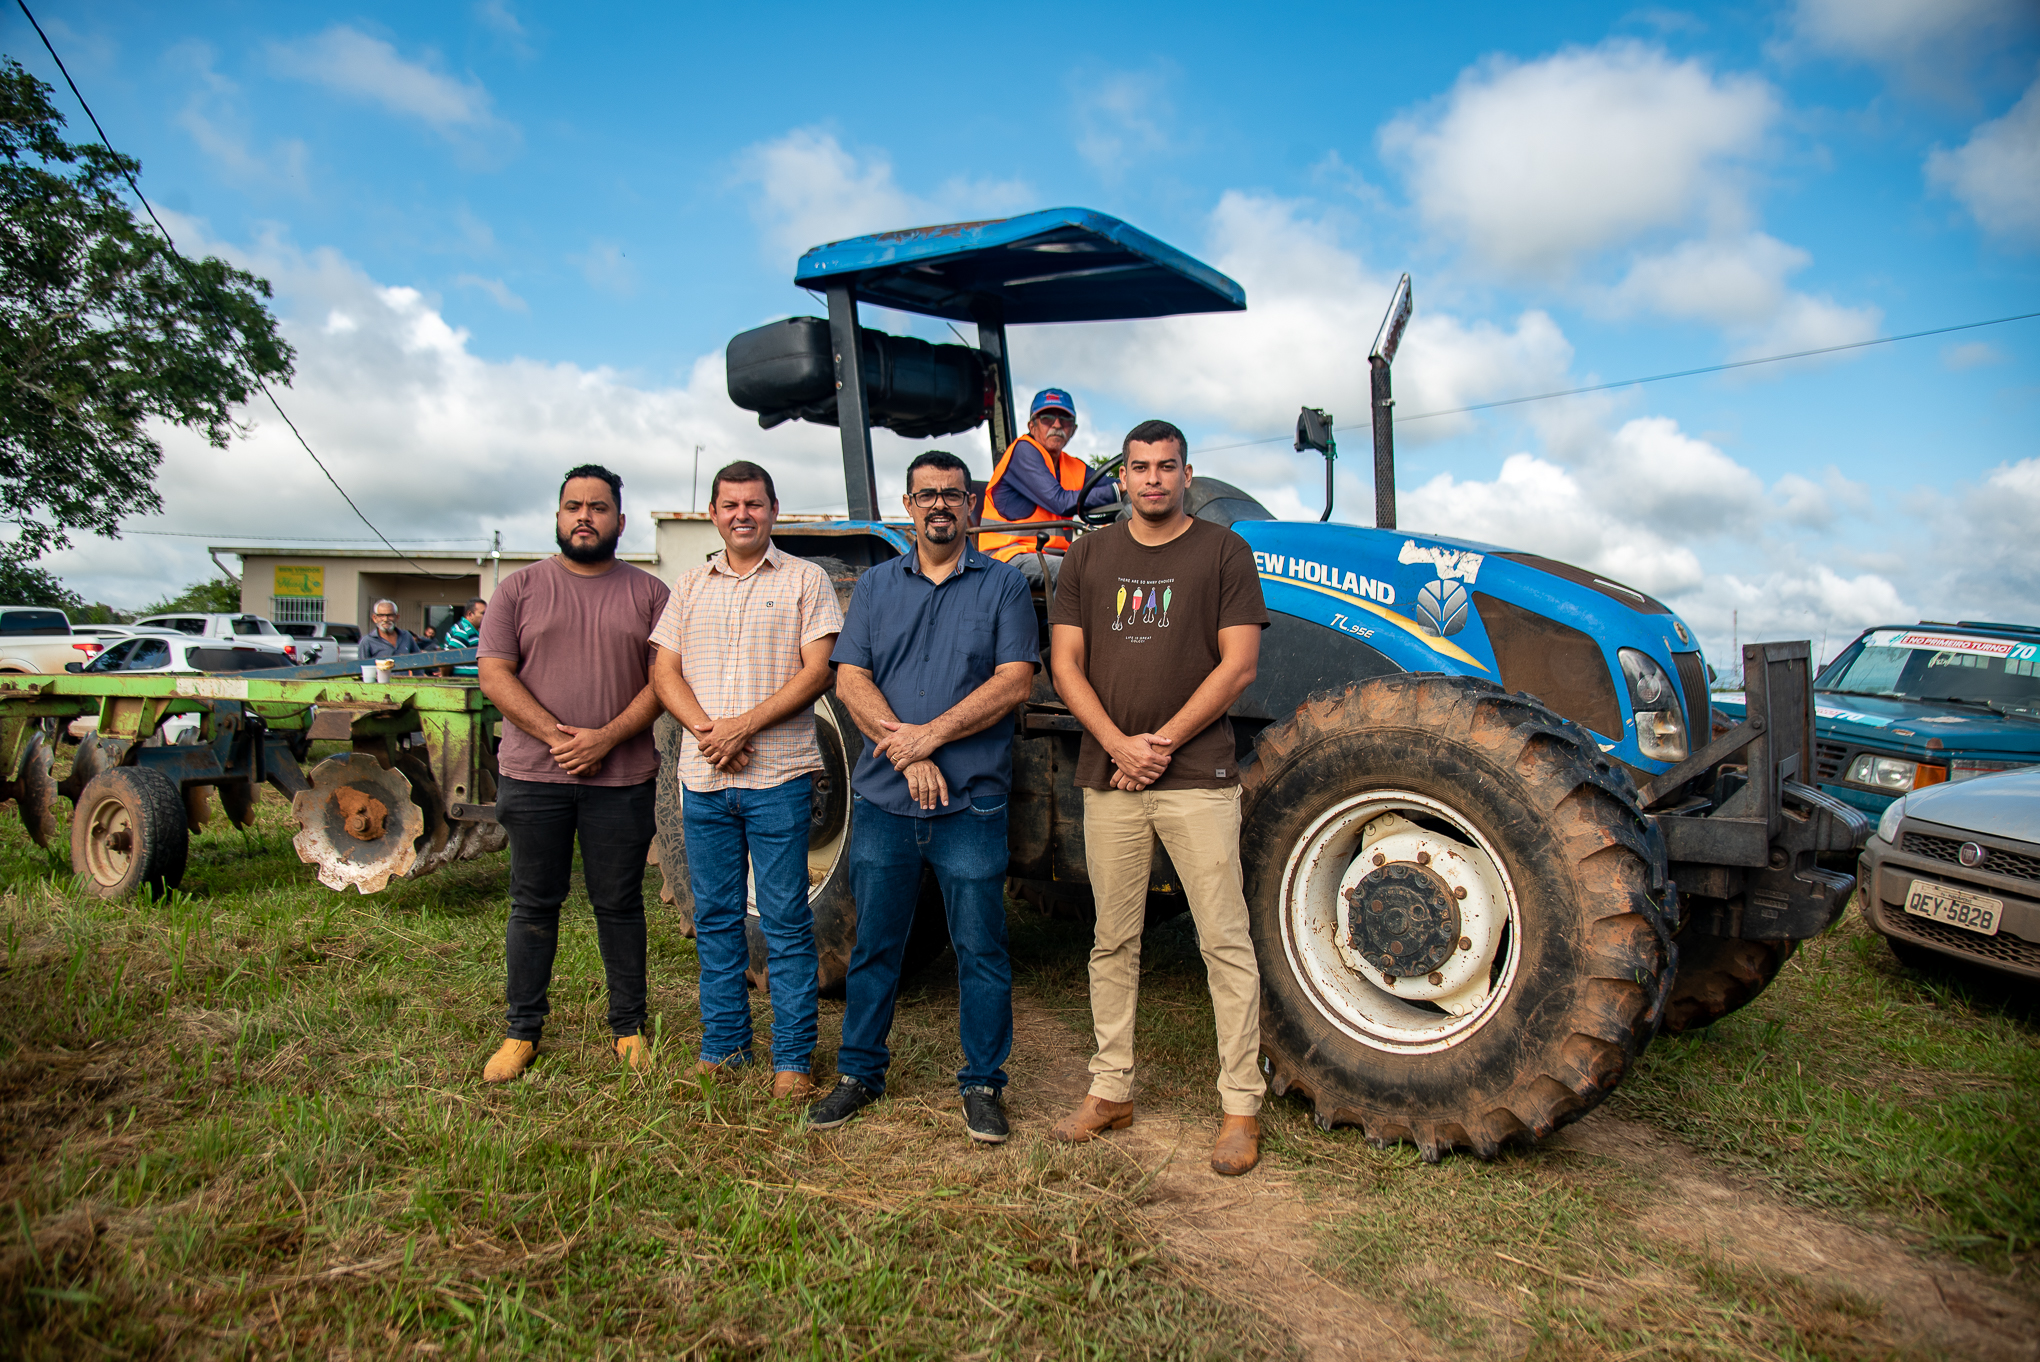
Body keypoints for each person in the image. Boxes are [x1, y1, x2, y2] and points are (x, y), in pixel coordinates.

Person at [1046, 419, 1271, 1176]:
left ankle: (1240, 1105)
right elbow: (1065, 663)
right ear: (1121, 479)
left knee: (1224, 940)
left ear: (1185, 473)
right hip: (1110, 776)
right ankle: (1111, 1090)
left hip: (1197, 776)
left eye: (1165, 467)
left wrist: (1161, 742)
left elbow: (1238, 667)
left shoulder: (1222, 552)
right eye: (1138, 468)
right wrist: (1117, 744)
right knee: (1114, 938)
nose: (1151, 480)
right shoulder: (1089, 554)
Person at [805, 451, 1037, 1142]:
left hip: (971, 804)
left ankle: (983, 1084)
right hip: (885, 800)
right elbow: (850, 679)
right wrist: (907, 755)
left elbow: (1014, 682)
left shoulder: (1002, 587)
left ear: (972, 506)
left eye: (953, 494)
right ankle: (859, 1074)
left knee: (981, 947)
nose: (940, 504)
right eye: (927, 494)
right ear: (908, 506)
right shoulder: (875, 586)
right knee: (875, 944)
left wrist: (926, 738)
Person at [650, 460, 842, 1101]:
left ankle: (792, 1057)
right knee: (716, 917)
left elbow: (817, 672)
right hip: (702, 780)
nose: (742, 514)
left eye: (754, 504)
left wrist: (742, 728)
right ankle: (724, 1045)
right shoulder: (690, 584)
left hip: (778, 778)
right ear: (713, 512)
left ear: (773, 509)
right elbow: (665, 672)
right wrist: (709, 730)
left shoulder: (805, 580)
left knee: (786, 920)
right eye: (730, 504)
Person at [476, 464, 671, 1083]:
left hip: (622, 777)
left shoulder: (649, 594)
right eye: (572, 506)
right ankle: (521, 1031)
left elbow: (662, 681)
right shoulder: (519, 590)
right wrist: (555, 736)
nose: (584, 516)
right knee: (533, 902)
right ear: (558, 516)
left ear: (619, 518)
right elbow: (494, 673)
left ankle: (628, 1028)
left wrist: (608, 737)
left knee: (619, 903)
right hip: (535, 775)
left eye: (597, 507)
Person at [979, 388, 1121, 584]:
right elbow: (1059, 502)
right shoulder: (1023, 452)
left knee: (1113, 567)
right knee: (1074, 573)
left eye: (1065, 419)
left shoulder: (1074, 466)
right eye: (1047, 418)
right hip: (1006, 556)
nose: (1057, 424)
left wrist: (1137, 484)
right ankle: (1064, 617)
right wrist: (1119, 490)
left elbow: (1117, 485)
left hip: (1050, 554)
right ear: (1032, 425)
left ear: (1074, 429)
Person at [444, 598, 485, 677]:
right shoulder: (463, 631)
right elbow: (447, 659)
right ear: (470, 614)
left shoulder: (474, 631)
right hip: (463, 684)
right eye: (483, 613)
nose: (486, 616)